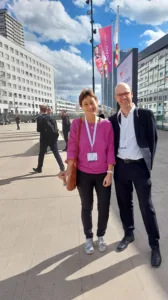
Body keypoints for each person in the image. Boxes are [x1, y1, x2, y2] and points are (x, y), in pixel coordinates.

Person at [109, 82, 161, 268]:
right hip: (121, 167)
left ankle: (154, 245)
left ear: (132, 94)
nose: (123, 97)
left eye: (126, 93)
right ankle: (128, 234)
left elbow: (153, 140)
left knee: (146, 207)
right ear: (116, 99)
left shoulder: (145, 115)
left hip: (139, 167)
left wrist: (148, 164)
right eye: (119, 95)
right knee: (124, 204)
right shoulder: (112, 120)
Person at [59, 89, 115, 255]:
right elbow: (71, 149)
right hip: (83, 173)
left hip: (103, 173)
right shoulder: (77, 124)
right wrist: (68, 170)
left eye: (92, 102)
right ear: (81, 107)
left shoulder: (106, 125)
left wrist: (110, 173)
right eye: (86, 104)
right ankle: (88, 237)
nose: (90, 106)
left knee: (104, 206)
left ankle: (101, 235)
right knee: (87, 206)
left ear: (97, 103)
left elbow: (110, 149)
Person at [33, 105, 65, 173]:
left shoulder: (40, 118)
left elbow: (39, 130)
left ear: (40, 110)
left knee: (41, 154)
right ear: (46, 110)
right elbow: (55, 127)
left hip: (44, 139)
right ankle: (62, 168)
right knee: (56, 153)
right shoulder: (51, 117)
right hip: (53, 138)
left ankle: (39, 168)